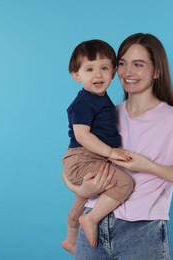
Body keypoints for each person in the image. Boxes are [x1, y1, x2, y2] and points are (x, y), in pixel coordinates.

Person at [62, 33, 173, 260]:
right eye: (122, 63)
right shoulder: (107, 114)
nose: (127, 72)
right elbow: (73, 162)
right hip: (91, 225)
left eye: (138, 64)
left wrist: (149, 167)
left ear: (157, 71)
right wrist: (80, 190)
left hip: (141, 233)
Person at [61, 39, 135, 255]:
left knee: (84, 196)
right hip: (82, 158)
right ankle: (90, 219)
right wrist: (111, 152)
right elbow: (82, 136)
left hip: (90, 158)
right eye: (89, 69)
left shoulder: (102, 99)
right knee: (124, 184)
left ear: (113, 72)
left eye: (104, 68)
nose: (98, 75)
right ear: (77, 75)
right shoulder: (83, 102)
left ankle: (70, 239)